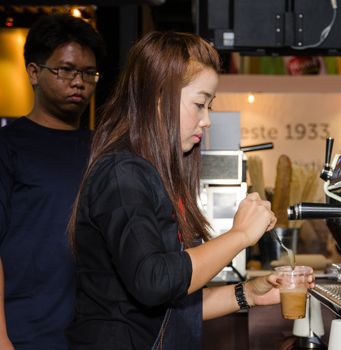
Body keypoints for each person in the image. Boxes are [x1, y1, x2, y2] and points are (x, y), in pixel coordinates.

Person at [66, 31, 314, 349]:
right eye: (199, 104)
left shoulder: (154, 175)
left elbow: (171, 306)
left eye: (209, 106)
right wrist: (239, 235)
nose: (207, 120)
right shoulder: (122, 173)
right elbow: (154, 281)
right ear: (158, 96)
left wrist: (249, 293)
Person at [0, 14, 105, 350]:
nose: (79, 82)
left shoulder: (102, 148)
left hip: (92, 333)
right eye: (66, 70)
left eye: (89, 73)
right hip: (25, 333)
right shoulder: (9, 147)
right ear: (34, 72)